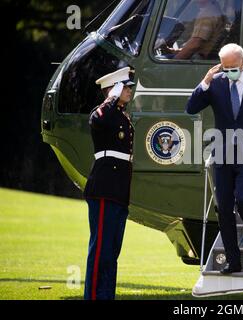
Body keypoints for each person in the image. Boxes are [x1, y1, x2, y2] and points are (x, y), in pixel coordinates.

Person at [186, 43, 243, 274]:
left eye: (233, 67)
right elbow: (191, 108)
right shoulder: (215, 83)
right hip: (223, 155)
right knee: (224, 208)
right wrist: (205, 82)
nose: (229, 72)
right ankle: (233, 259)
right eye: (225, 67)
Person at [83, 67, 135, 300]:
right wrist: (111, 98)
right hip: (104, 187)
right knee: (101, 250)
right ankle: (94, 296)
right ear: (113, 89)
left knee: (112, 251)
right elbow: (97, 119)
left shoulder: (122, 115)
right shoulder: (103, 112)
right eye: (125, 86)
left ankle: (106, 296)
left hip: (119, 190)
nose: (130, 90)